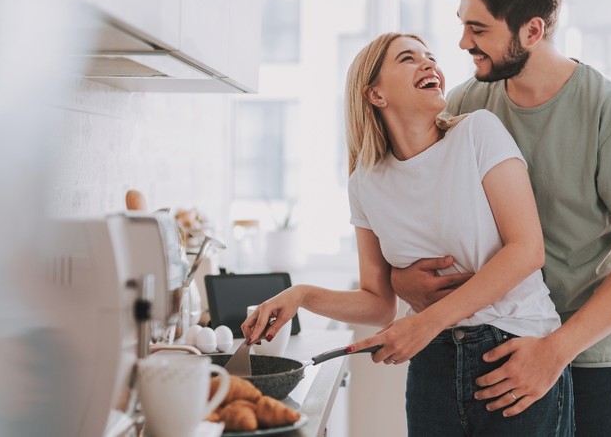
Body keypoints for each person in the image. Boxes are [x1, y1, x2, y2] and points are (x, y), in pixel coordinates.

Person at [243, 32, 573, 436]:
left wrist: (424, 323)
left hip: (514, 350)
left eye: (430, 57)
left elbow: (526, 251)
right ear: (375, 95)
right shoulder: (364, 183)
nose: (429, 64)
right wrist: (303, 295)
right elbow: (378, 303)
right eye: (408, 58)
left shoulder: (477, 133)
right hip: (432, 366)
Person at [389, 0, 611, 436]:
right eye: (462, 26)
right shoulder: (463, 106)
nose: (462, 44)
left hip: (584, 362)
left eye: (478, 29)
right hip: (486, 352)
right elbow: (417, 205)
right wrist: (401, 278)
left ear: (533, 29)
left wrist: (554, 351)